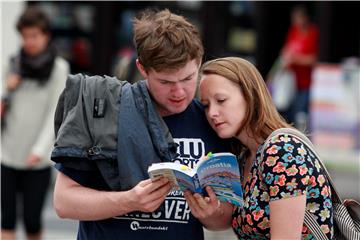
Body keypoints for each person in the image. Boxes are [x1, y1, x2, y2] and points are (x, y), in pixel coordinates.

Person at [51, 9, 232, 239]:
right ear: (142, 69)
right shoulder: (106, 111)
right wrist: (129, 201)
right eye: (165, 81)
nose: (179, 92)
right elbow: (63, 202)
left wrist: (210, 213)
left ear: (199, 63)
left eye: (188, 78)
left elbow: (223, 220)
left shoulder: (211, 120)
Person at [198, 57, 334, 239]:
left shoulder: (281, 151)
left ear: (249, 96)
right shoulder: (244, 157)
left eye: (221, 100)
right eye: (206, 106)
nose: (212, 113)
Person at [1, 7, 70, 240]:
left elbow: (55, 113)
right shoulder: (12, 64)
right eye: (25, 36)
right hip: (7, 153)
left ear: (45, 35)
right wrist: (7, 89)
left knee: (32, 220)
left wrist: (39, 150)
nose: (29, 41)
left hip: (37, 159)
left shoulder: (59, 68)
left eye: (34, 36)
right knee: (6, 219)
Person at [280, 5, 319, 129]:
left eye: (298, 18)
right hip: (292, 80)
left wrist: (296, 59)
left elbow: (313, 59)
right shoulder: (293, 31)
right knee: (288, 111)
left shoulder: (313, 33)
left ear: (305, 18)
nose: (295, 21)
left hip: (305, 82)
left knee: (301, 114)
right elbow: (287, 50)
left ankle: (302, 139)